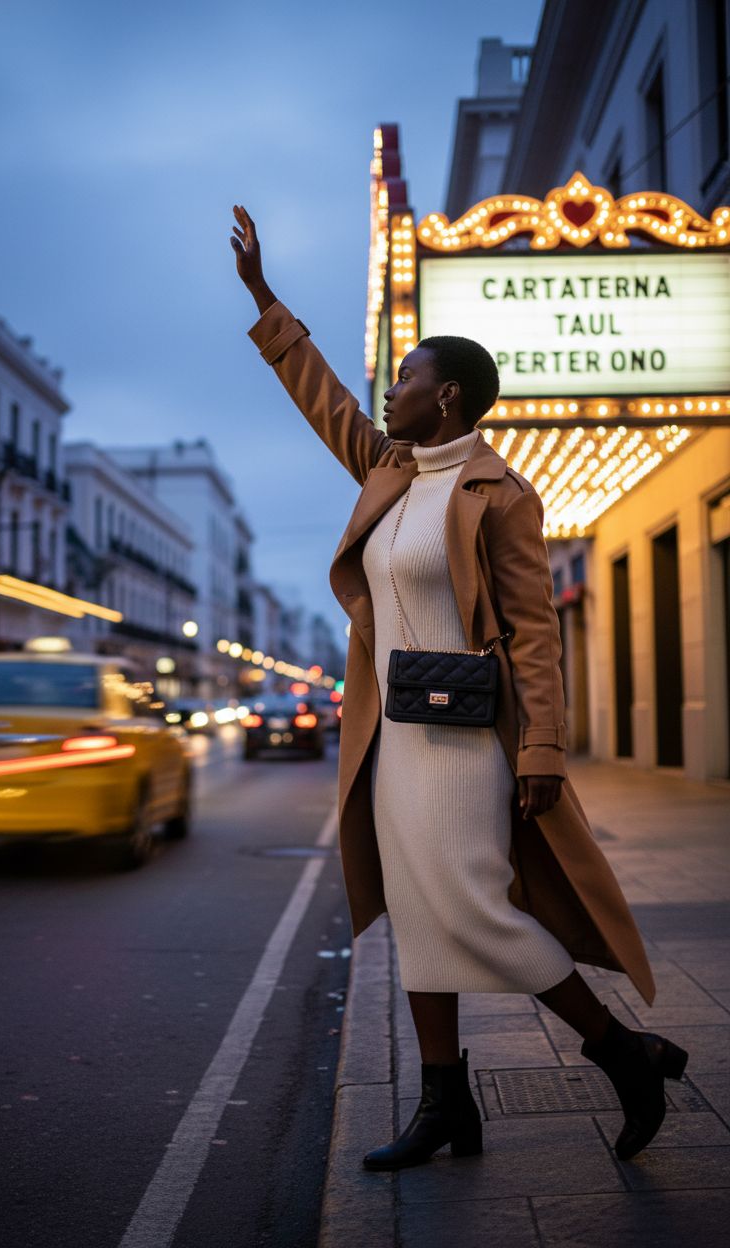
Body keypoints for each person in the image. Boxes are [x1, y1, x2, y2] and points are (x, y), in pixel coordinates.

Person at [229, 204, 689, 1171]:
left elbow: (534, 631)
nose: (389, 391)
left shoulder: (500, 495)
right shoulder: (387, 468)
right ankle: (446, 1106)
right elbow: (321, 400)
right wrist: (269, 303)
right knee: (417, 909)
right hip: (395, 736)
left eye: (407, 379)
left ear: (449, 400)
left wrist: (544, 751)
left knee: (476, 906)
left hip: (468, 742)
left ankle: (624, 1054)